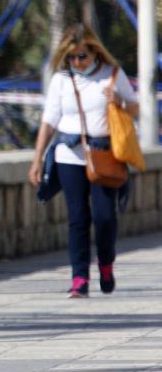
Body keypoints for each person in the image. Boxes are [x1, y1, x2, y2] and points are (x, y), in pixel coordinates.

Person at [29, 23, 138, 298]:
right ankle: (79, 278)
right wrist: (37, 158)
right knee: (77, 218)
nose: (77, 62)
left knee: (104, 218)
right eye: (72, 57)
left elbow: (135, 108)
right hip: (68, 155)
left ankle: (105, 264)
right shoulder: (61, 80)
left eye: (82, 56)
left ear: (95, 53)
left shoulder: (111, 75)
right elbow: (49, 120)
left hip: (103, 156)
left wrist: (119, 102)